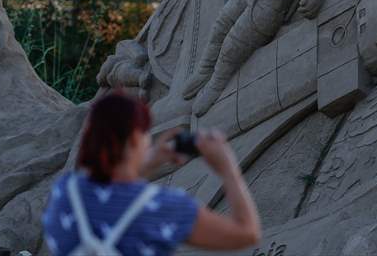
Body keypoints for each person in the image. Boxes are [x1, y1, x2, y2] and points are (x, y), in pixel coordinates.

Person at [42, 91, 261, 255]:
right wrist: (228, 167)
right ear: (137, 139)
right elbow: (247, 233)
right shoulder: (164, 207)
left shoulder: (65, 192)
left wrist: (150, 160)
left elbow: (112, 188)